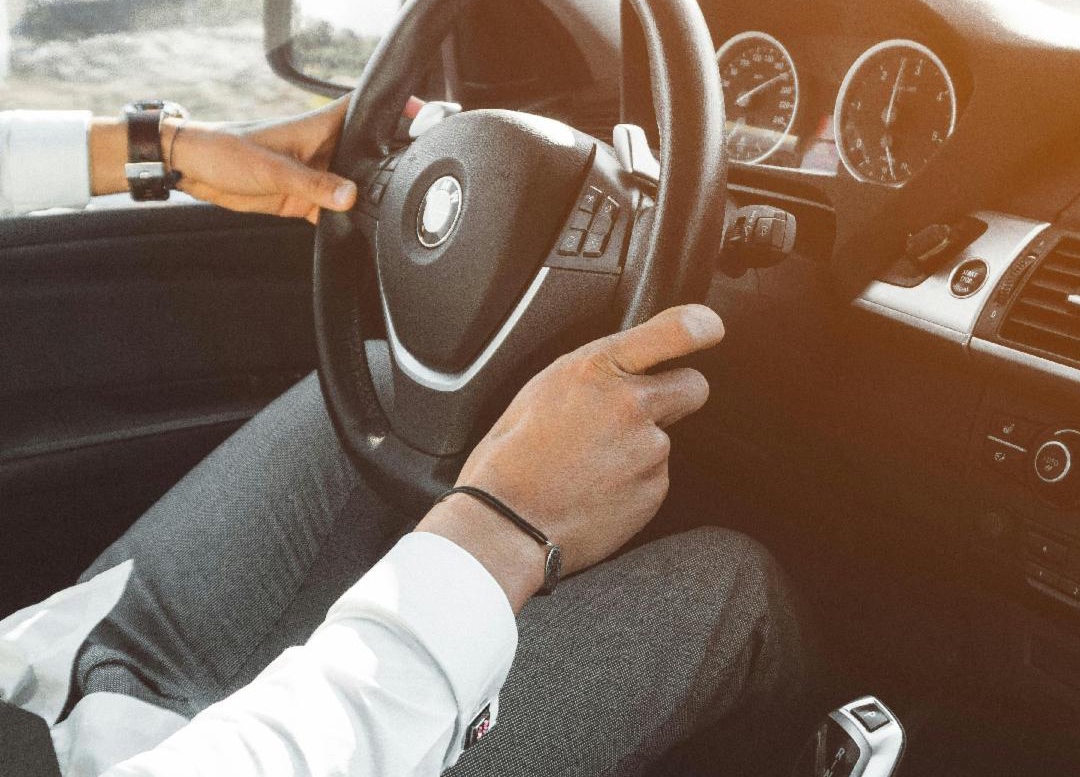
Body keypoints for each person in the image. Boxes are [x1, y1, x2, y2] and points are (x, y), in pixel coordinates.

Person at [0, 100, 811, 777]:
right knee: (731, 589)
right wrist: (502, 525)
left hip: (47, 673)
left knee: (386, 385)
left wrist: (155, 151)